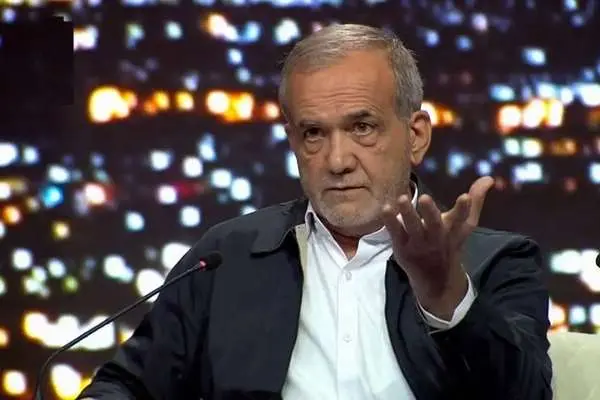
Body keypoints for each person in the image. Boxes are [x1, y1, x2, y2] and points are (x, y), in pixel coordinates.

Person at [78, 24, 552, 400]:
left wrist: (446, 297)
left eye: (362, 127)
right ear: (292, 141)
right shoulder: (226, 257)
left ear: (416, 136)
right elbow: (128, 386)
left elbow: (527, 393)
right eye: (313, 134)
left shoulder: (497, 262)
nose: (337, 160)